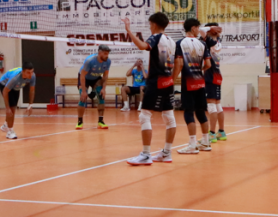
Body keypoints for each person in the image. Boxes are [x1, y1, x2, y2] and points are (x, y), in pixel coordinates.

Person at [123, 13, 177, 165]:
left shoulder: (156, 37)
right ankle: (166, 153)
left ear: (154, 24)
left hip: (156, 82)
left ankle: (146, 155)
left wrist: (129, 31)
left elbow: (142, 46)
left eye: (150, 24)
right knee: (169, 117)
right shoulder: (171, 41)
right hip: (168, 82)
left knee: (144, 115)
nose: (149, 27)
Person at [175, 18, 212, 155]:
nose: (199, 30)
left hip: (188, 82)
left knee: (188, 112)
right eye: (198, 27)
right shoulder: (202, 44)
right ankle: (206, 142)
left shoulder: (180, 43)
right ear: (193, 28)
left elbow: (179, 64)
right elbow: (208, 65)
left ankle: (192, 144)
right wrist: (198, 70)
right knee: (201, 111)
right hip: (200, 82)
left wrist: (172, 79)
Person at [76, 45, 112, 130]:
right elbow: (82, 76)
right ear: (99, 53)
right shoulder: (90, 61)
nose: (107, 55)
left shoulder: (108, 61)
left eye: (108, 54)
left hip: (96, 78)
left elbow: (105, 76)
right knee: (83, 98)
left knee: (101, 96)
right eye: (105, 53)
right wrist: (84, 91)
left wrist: (103, 89)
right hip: (85, 78)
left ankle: (101, 121)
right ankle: (80, 122)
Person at [201, 22, 226, 142]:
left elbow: (201, 30)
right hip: (217, 74)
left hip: (210, 75)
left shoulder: (210, 42)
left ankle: (211, 134)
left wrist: (210, 28)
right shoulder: (217, 42)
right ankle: (221, 132)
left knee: (211, 106)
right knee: (217, 105)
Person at [0, 62, 36, 140]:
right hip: (5, 84)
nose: (30, 74)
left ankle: (5, 125)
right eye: (28, 72)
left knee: (13, 106)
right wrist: (7, 108)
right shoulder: (15, 78)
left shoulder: (33, 76)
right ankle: (10, 132)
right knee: (11, 109)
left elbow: (32, 90)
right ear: (23, 72)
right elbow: (5, 91)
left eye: (32, 72)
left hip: (16, 87)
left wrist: (30, 104)